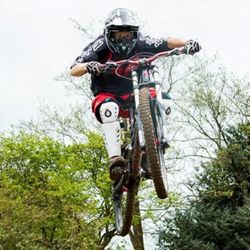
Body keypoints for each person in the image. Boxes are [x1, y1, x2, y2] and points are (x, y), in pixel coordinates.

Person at [70, 8, 201, 181]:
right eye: (119, 35)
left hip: (137, 91)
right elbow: (74, 69)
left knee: (167, 103)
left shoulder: (142, 41)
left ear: (135, 34)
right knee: (108, 109)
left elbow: (165, 41)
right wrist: (89, 66)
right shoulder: (99, 45)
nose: (124, 40)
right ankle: (115, 159)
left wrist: (188, 43)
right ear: (109, 34)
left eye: (128, 35)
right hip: (108, 93)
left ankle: (152, 148)